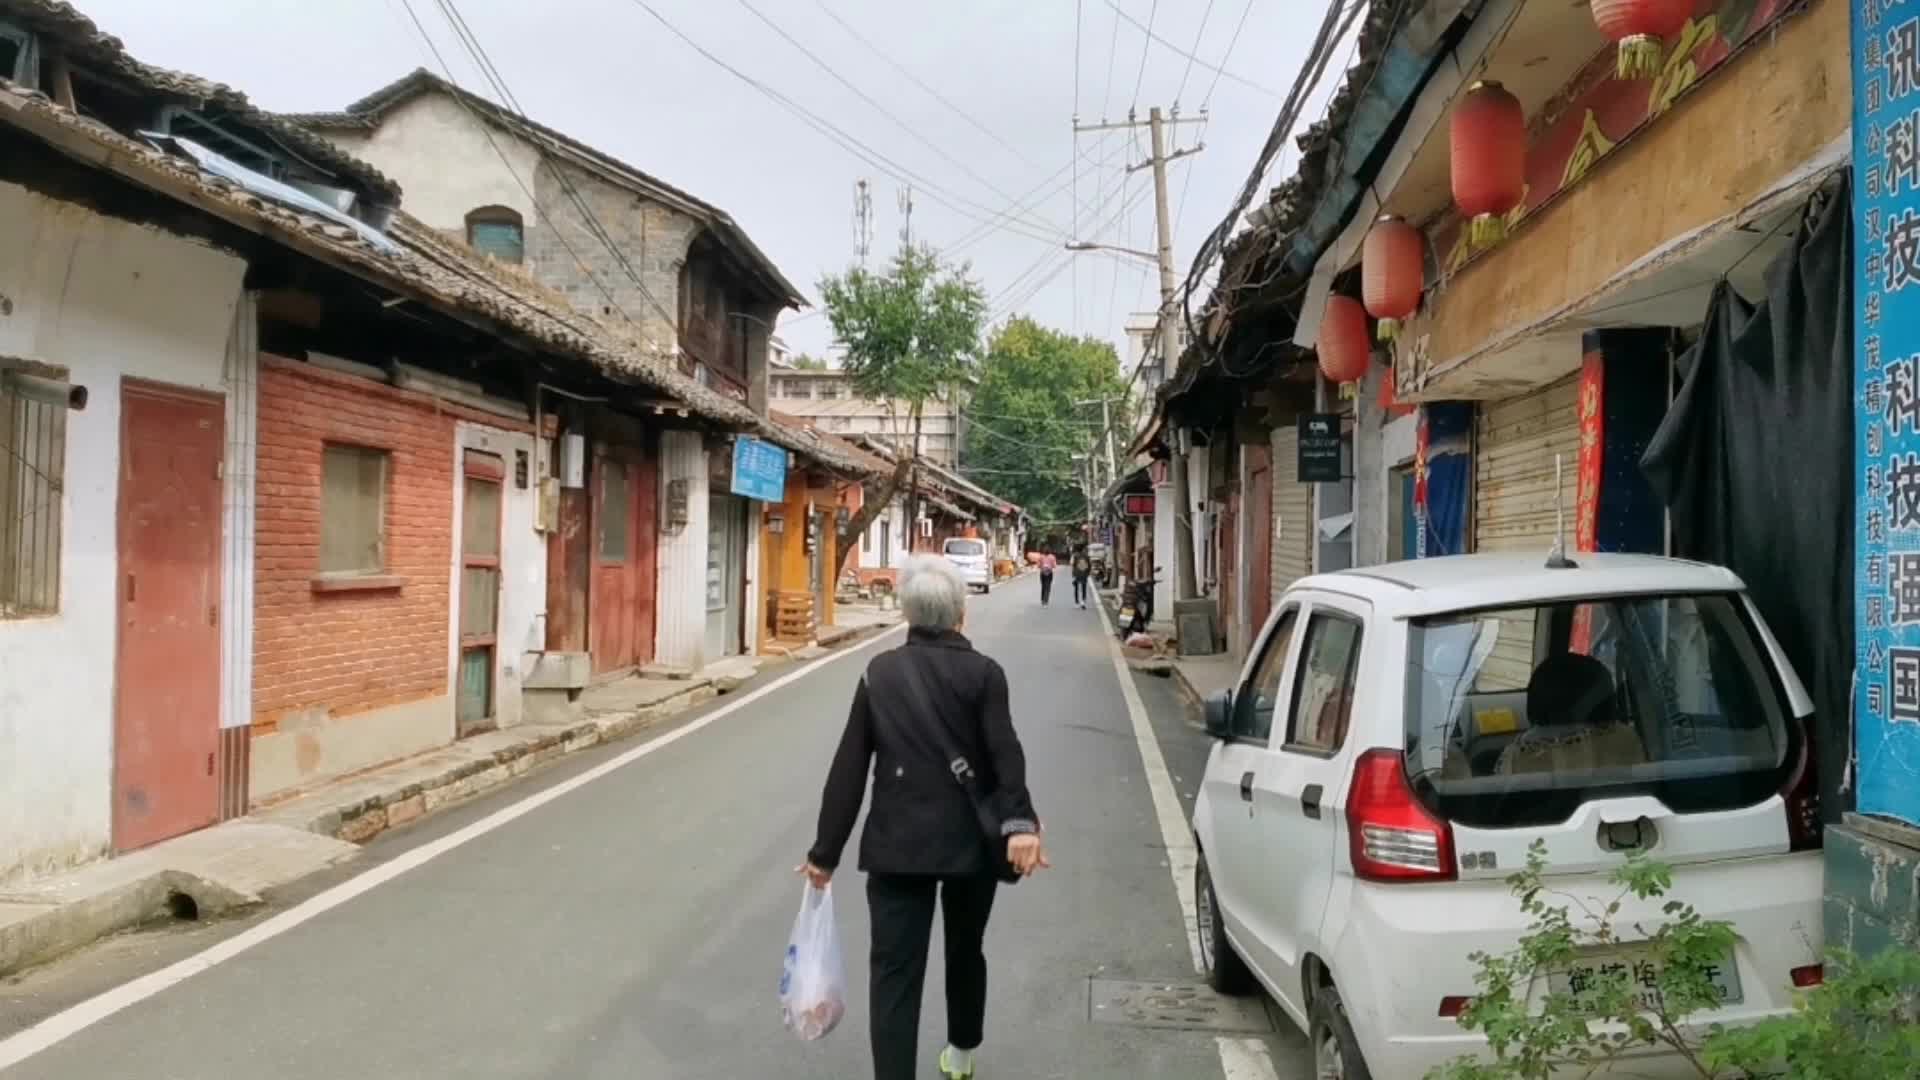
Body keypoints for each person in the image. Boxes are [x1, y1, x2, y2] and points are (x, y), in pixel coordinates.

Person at [801, 556, 1050, 1080]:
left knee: (894, 971)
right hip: (970, 846)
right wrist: (1020, 824)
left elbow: (848, 768)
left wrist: (825, 854)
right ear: (961, 614)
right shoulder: (985, 674)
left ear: (907, 614)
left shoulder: (879, 674)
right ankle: (960, 1057)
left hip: (896, 847)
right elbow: (1007, 756)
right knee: (965, 949)